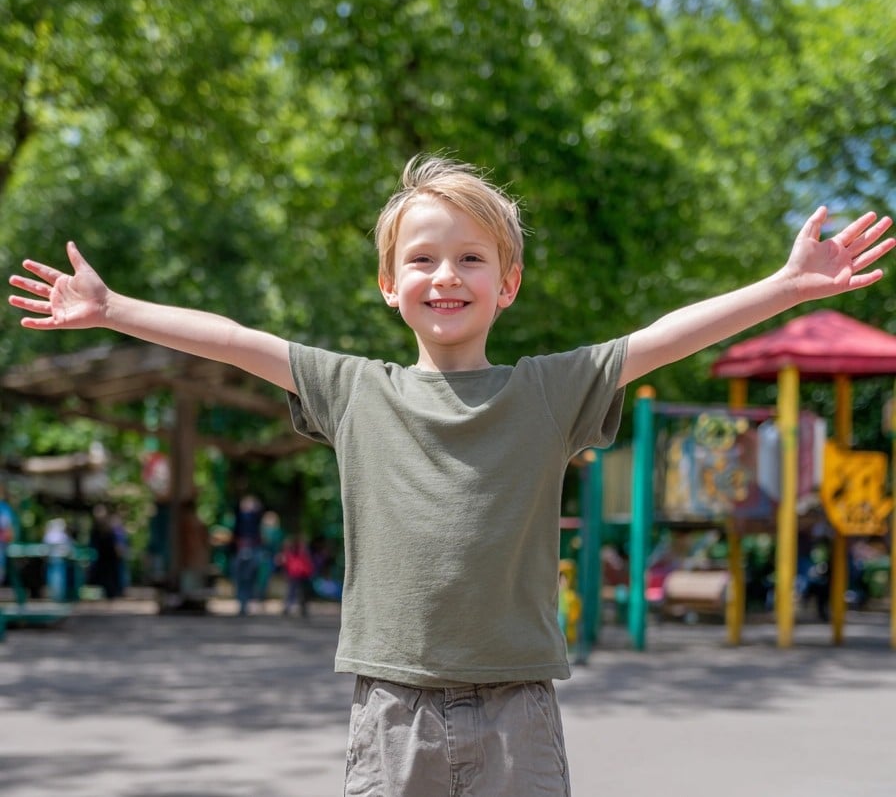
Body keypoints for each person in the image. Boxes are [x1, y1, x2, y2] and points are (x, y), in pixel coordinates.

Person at [8, 153, 894, 796]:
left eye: (472, 258)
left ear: (507, 283)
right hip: (392, 709)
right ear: (389, 284)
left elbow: (666, 335)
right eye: (423, 259)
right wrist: (115, 309)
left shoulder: (548, 391)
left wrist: (784, 287)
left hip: (518, 708)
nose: (447, 275)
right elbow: (238, 340)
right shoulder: (355, 391)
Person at [280, 533, 314, 618]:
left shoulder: (301, 551)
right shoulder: (292, 551)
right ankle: (290, 607)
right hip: (295, 574)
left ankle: (300, 608)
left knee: (299, 592)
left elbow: (307, 562)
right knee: (293, 592)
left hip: (300, 574)